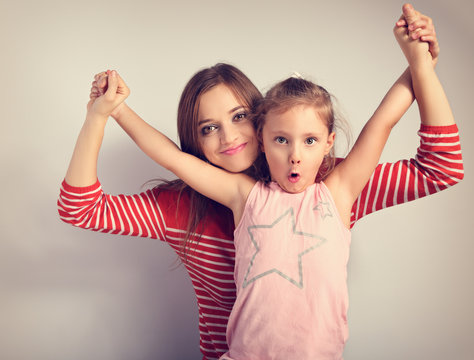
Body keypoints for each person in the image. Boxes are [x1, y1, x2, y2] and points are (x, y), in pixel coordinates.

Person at [57, 4, 463, 359]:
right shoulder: (211, 201)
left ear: (262, 119)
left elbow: (434, 160)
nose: (230, 137)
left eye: (238, 117)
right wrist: (105, 113)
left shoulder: (327, 182)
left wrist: (421, 67)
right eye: (207, 128)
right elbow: (88, 203)